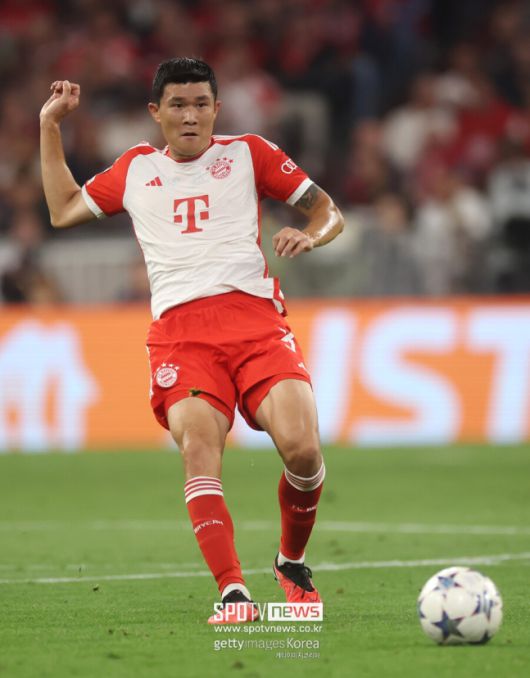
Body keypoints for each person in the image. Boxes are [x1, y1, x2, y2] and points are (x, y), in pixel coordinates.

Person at [39, 57, 344, 624]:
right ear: (156, 112)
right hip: (181, 337)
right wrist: (50, 125)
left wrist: (311, 234)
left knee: (303, 450)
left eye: (201, 104)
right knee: (200, 451)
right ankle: (233, 592)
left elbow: (328, 210)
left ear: (217, 109)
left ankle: (291, 562)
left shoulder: (249, 153)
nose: (190, 116)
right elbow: (63, 210)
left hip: (255, 323)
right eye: (177, 105)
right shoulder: (135, 169)